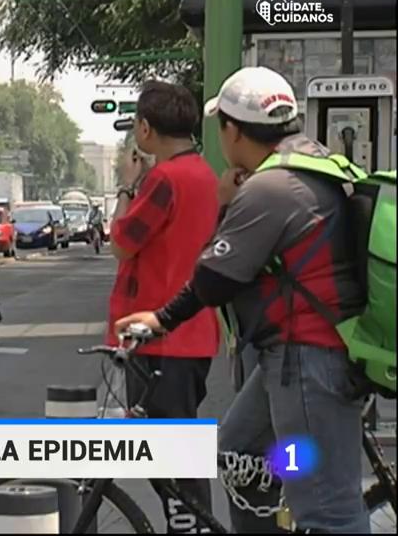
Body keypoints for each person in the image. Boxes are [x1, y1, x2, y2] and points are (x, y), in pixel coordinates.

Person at [116, 67, 369, 533]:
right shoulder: (315, 163)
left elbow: (214, 279)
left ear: (233, 131)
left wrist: (160, 318)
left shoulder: (270, 189)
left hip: (308, 362)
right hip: (302, 357)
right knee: (242, 452)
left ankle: (306, 486)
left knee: (329, 510)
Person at [107, 80, 221, 534]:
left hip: (157, 335)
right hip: (193, 333)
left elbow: (121, 242)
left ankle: (191, 528)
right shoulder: (205, 174)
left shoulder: (163, 180)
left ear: (145, 128)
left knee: (169, 462)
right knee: (177, 454)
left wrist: (126, 187)